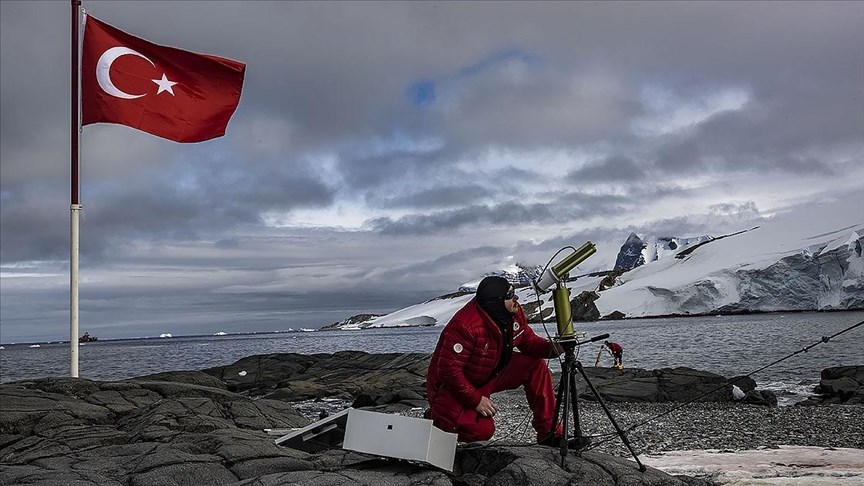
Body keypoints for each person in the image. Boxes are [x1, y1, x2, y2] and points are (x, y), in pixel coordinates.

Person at [426, 275, 575, 447]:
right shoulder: (465, 326)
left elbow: (528, 341)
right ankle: (435, 418)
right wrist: (475, 400)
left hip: (490, 372)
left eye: (514, 293)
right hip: (451, 386)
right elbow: (449, 371)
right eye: (510, 295)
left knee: (536, 366)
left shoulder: (513, 313)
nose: (516, 298)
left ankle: (550, 433)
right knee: (482, 431)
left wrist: (556, 348)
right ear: (495, 302)